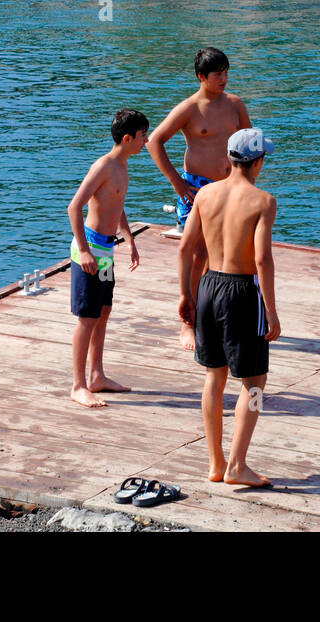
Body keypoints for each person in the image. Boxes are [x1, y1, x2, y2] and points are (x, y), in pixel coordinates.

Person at [177, 127, 279, 487]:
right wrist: (271, 310)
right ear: (257, 162)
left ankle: (215, 463)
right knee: (255, 383)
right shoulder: (263, 201)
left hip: (208, 285)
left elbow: (185, 247)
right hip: (242, 291)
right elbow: (263, 260)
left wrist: (186, 294)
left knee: (213, 377)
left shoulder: (205, 194)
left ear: (230, 160)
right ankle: (238, 464)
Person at [147, 48, 251, 350]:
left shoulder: (235, 104)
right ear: (201, 77)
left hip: (230, 187)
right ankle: (187, 323)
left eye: (226, 72)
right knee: (196, 253)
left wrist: (247, 181)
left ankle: (212, 314)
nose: (224, 78)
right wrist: (176, 181)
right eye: (217, 73)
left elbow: (250, 141)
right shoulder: (189, 109)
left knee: (223, 255)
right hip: (197, 189)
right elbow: (155, 141)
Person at [67, 107, 149, 408]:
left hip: (106, 251)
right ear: (127, 138)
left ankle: (97, 375)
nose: (146, 141)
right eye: (142, 137)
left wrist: (129, 239)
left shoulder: (124, 166)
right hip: (89, 251)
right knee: (87, 318)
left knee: (103, 312)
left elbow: (117, 204)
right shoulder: (103, 166)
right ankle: (78, 385)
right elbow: (74, 208)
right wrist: (85, 251)